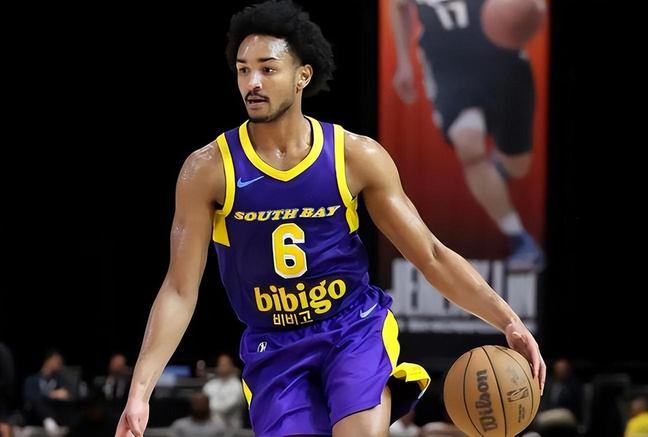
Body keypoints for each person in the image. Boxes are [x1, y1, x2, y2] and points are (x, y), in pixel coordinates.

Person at [114, 1, 545, 436]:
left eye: (267, 69)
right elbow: (179, 289)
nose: (252, 82)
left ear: (302, 75)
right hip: (274, 342)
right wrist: (140, 392)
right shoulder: (208, 169)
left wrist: (508, 320)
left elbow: (430, 255)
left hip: (351, 327)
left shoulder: (354, 156)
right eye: (243, 70)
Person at [390, 0, 545, 271]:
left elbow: (531, 9)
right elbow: (399, 6)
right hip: (449, 69)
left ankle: (492, 179)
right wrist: (403, 62)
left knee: (517, 166)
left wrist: (525, 12)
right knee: (469, 147)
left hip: (503, 63)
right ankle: (520, 239)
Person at [23, 349, 72, 437]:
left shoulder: (60, 380)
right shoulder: (32, 379)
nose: (59, 364)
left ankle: (50, 422)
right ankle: (49, 421)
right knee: (37, 399)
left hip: (56, 413)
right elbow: (30, 397)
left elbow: (67, 393)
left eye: (60, 362)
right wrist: (51, 395)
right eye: (56, 361)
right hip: (36, 417)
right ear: (48, 360)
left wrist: (57, 395)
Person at [202, 353, 244, 430]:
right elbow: (203, 405)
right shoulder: (210, 385)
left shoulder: (237, 386)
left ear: (231, 366)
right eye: (220, 364)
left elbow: (226, 408)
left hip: (230, 429)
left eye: (225, 365)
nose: (222, 367)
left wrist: (208, 408)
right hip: (209, 428)